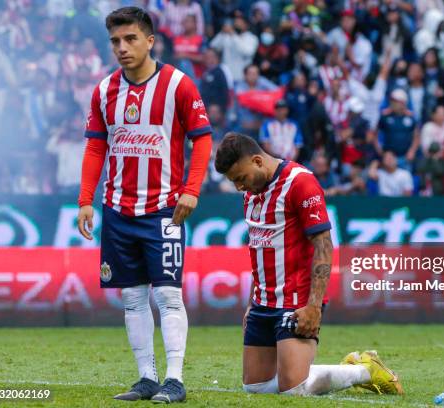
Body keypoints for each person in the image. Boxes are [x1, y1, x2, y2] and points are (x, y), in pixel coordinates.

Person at [76, 7, 212, 403]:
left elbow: (202, 139)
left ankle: (174, 379)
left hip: (164, 210)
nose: (122, 47)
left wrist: (192, 188)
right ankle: (146, 378)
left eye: (130, 39)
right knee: (132, 298)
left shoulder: (178, 85)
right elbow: (96, 145)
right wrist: (86, 200)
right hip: (117, 211)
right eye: (116, 41)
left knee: (168, 295)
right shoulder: (104, 91)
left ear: (150, 40)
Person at [214, 132, 403, 396]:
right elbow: (260, 251)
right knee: (254, 388)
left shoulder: (300, 182)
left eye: (240, 178)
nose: (238, 187)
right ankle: (334, 369)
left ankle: (365, 369)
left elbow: (324, 245)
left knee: (294, 389)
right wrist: (250, 304)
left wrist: (314, 306)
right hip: (262, 302)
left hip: (296, 301)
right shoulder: (253, 193)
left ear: (257, 161)